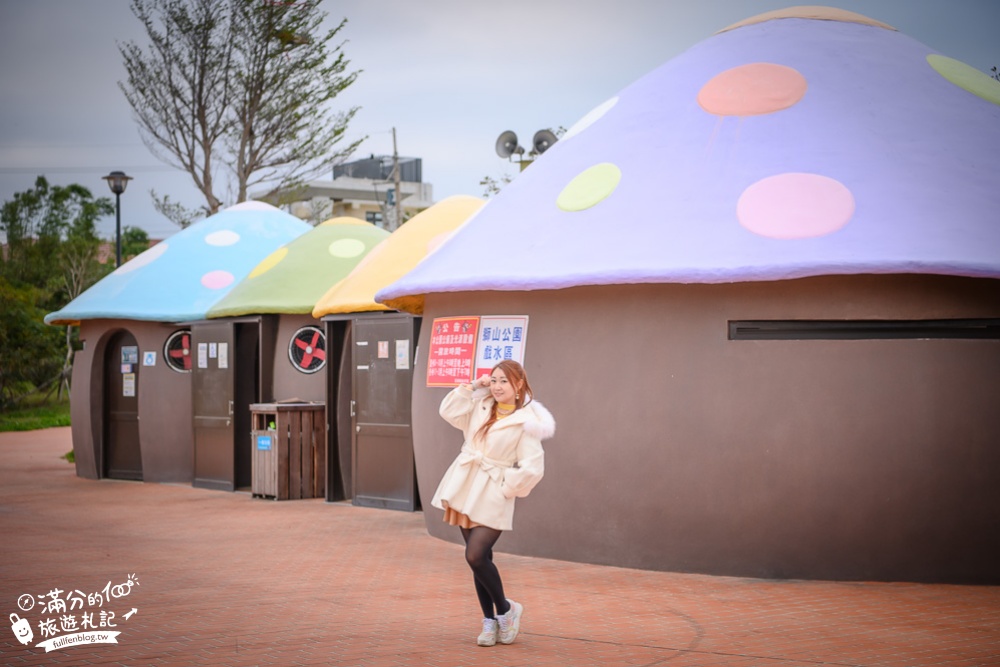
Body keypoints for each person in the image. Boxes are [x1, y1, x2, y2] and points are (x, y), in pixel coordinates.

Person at [432, 359, 556, 647]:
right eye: (495, 379)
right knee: (481, 562)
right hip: (464, 486)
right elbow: (448, 411)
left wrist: (506, 487)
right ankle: (490, 620)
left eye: (504, 381)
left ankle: (506, 610)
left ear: (519, 385)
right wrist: (474, 386)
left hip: (493, 492)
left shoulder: (527, 422)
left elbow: (533, 466)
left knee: (475, 555)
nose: (498, 386)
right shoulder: (481, 405)